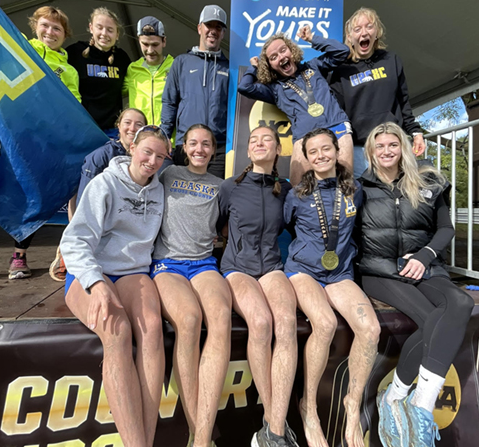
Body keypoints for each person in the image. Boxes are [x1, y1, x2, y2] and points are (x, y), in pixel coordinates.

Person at [358, 122, 474, 447]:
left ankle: (415, 403)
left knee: (460, 304)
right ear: (371, 151)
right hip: (379, 270)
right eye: (379, 146)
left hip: (423, 266)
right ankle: (396, 398)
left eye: (392, 145)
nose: (386, 151)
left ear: (403, 148)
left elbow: (446, 229)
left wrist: (424, 255)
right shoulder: (359, 186)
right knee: (429, 322)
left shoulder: (427, 181)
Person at [60, 125, 170, 447]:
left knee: (151, 328)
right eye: (147, 151)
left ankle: (143, 441)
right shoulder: (104, 184)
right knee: (118, 332)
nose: (152, 161)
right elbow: (75, 241)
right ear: (132, 148)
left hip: (133, 271)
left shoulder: (158, 190)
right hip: (91, 270)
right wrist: (95, 283)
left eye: (160, 156)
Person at [283, 128, 380, 447]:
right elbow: (287, 227)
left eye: (327, 149)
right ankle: (309, 408)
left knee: (370, 329)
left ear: (338, 152)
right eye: (314, 151)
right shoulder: (296, 193)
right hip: (303, 272)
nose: (321, 155)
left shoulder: (354, 190)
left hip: (339, 274)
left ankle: (352, 406)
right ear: (307, 158)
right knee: (323, 324)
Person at [151, 124, 232, 447]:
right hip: (168, 263)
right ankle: (198, 431)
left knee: (222, 319)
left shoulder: (221, 185)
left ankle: (202, 434)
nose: (199, 149)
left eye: (206, 144)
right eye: (193, 143)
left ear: (214, 150)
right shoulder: (167, 175)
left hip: (203, 263)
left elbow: (229, 223)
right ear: (184, 147)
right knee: (188, 320)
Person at [218, 126, 298, 447]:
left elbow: (300, 227)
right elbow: (214, 226)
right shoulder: (230, 188)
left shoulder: (286, 189)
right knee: (262, 324)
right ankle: (276, 425)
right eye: (254, 140)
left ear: (278, 150)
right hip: (237, 268)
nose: (260, 143)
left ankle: (271, 432)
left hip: (272, 267)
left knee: (288, 323)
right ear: (248, 152)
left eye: (267, 139)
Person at [7, 6, 81, 280]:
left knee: (43, 195)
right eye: (45, 26)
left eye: (57, 28)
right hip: (20, 138)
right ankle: (19, 256)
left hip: (52, 143)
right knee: (16, 195)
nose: (50, 32)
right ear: (35, 26)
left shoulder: (69, 70)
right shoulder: (22, 51)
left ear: (65, 35)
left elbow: (75, 105)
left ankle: (40, 254)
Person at [238, 26, 353, 186]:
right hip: (304, 137)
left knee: (345, 186)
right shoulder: (274, 89)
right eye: (273, 57)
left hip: (336, 127)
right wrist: (254, 67)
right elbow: (245, 87)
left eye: (283, 50)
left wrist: (312, 38)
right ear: (270, 65)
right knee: (299, 189)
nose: (280, 57)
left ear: (291, 51)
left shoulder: (314, 66)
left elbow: (342, 51)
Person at [49, 108, 148, 281]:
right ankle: (66, 251)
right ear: (118, 126)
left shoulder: (148, 158)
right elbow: (85, 204)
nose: (132, 128)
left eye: (139, 124)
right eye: (127, 123)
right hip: (103, 222)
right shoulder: (101, 156)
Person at [329, 7, 425, 177]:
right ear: (350, 37)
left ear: (377, 32)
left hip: (391, 145)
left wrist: (415, 132)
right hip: (359, 149)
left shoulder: (391, 60)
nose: (364, 33)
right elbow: (336, 113)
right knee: (362, 199)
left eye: (369, 27)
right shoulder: (340, 69)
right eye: (357, 29)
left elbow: (403, 101)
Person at [161, 5, 229, 178]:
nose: (213, 31)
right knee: (182, 197)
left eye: (218, 27)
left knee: (213, 198)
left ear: (222, 33)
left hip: (218, 147)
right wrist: (165, 135)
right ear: (199, 28)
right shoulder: (181, 62)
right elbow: (169, 101)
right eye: (209, 25)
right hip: (187, 144)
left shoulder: (230, 68)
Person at [67, 7, 131, 136]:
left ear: (117, 34)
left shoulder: (122, 58)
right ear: (91, 28)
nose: (104, 33)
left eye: (110, 30)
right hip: (82, 128)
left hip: (111, 131)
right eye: (99, 27)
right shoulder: (74, 53)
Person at [123, 16, 174, 127]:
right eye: (145, 44)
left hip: (168, 139)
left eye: (155, 45)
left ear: (164, 41)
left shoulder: (176, 67)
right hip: (140, 139)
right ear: (138, 41)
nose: (150, 51)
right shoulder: (132, 69)